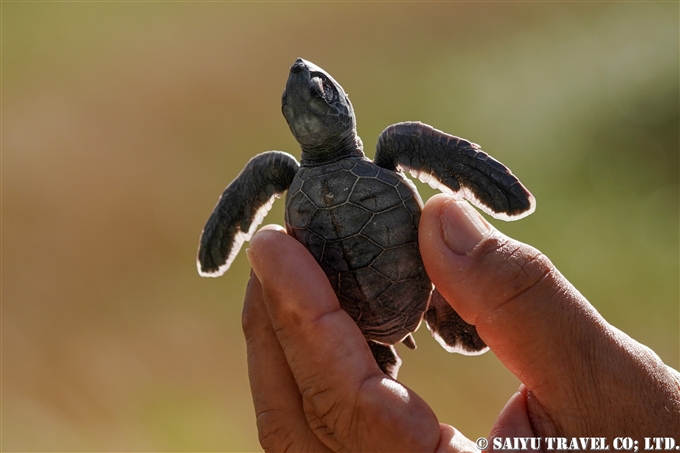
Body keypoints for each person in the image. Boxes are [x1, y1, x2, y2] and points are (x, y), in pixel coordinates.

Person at [241, 194, 680, 452]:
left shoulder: (386, 147)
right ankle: (387, 345)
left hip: (405, 295)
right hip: (368, 308)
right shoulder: (282, 170)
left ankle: (443, 318)